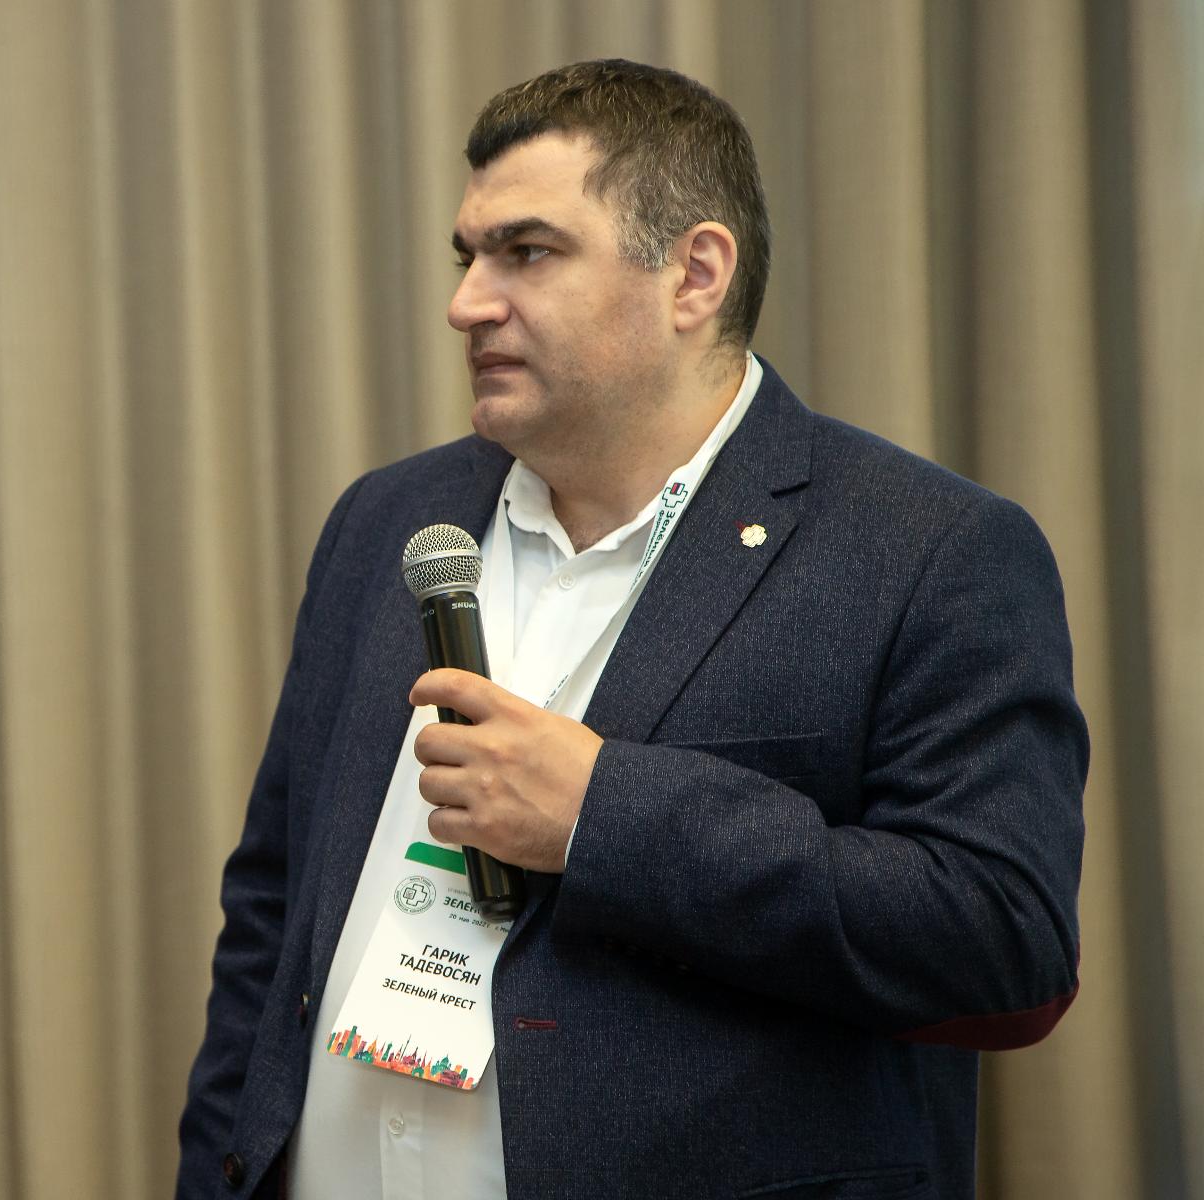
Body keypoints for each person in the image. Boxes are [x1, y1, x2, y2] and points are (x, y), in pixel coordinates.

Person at [177, 59, 1085, 1200]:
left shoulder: (927, 550)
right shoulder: (389, 520)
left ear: (694, 274)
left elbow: (1003, 940)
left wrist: (602, 814)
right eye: (469, 257)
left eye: (527, 252)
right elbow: (274, 912)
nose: (468, 303)